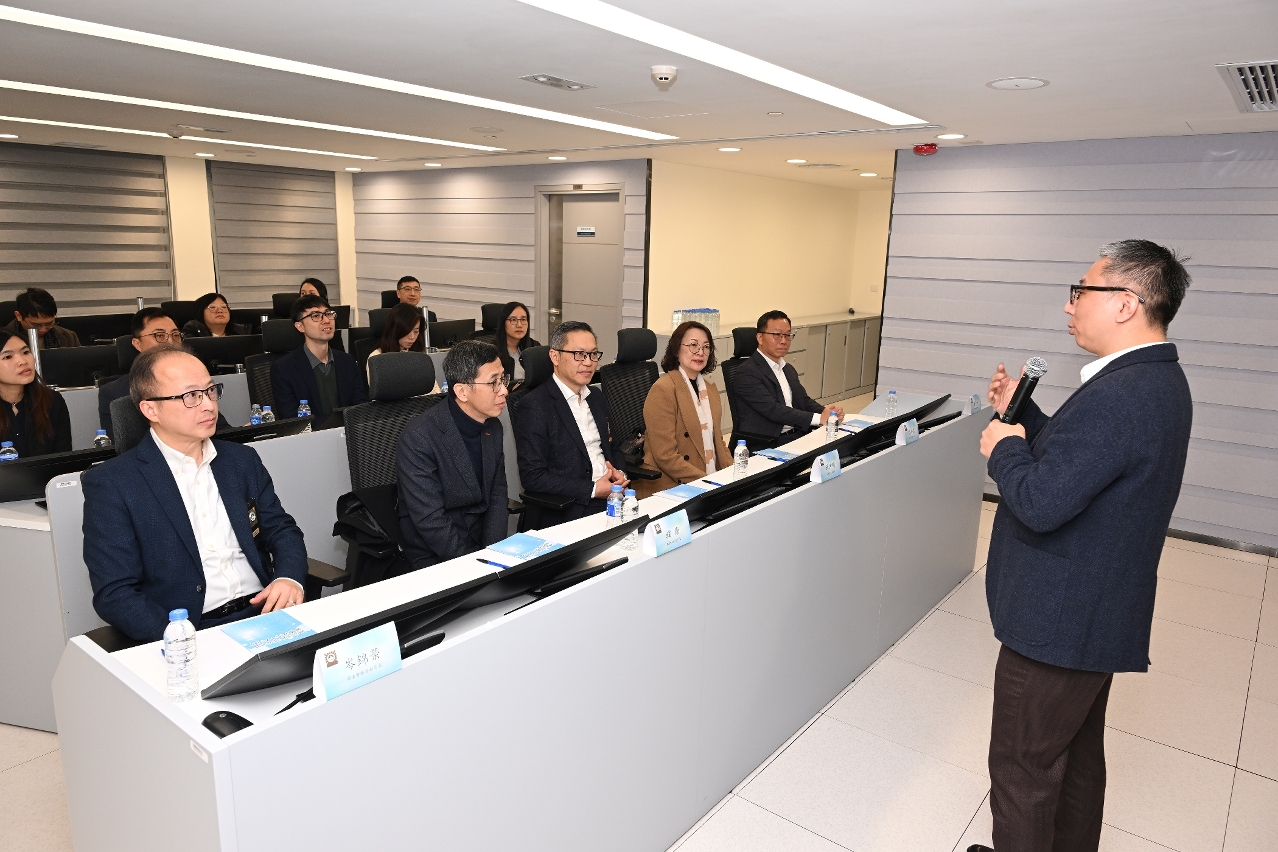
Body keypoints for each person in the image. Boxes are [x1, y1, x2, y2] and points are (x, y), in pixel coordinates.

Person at [968, 240, 1194, 852]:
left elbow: (1041, 502)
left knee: (1022, 767)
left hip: (1059, 623)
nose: (1070, 306)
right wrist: (1028, 418)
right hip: (1095, 614)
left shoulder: (1122, 394)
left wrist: (1004, 449)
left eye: (1081, 291)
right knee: (1074, 755)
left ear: (1126, 303)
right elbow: (1085, 462)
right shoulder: (1152, 379)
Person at [83, 347, 308, 641]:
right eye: (191, 396)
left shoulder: (241, 461)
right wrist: (177, 637)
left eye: (210, 391)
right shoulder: (113, 483)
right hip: (190, 631)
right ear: (150, 410)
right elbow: (114, 592)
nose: (209, 406)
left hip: (265, 611)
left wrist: (289, 578)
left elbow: (281, 529)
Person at [396, 340, 508, 569]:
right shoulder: (419, 437)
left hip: (481, 544)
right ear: (462, 392)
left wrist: (494, 554)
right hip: (435, 551)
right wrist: (473, 566)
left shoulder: (492, 426)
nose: (504, 390)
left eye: (503, 379)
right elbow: (430, 520)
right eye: (493, 383)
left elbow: (497, 495)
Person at [515, 320, 628, 527]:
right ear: (554, 357)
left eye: (593, 354)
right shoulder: (534, 405)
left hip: (613, 498)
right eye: (579, 354)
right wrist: (593, 489)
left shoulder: (596, 397)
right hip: (570, 507)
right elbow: (533, 476)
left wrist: (620, 474)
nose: (588, 362)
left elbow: (613, 448)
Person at [637, 321, 731, 497]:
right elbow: (665, 456)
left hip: (706, 480)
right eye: (693, 345)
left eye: (706, 347)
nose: (700, 352)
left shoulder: (710, 390)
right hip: (670, 484)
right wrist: (708, 483)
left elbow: (718, 442)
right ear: (676, 349)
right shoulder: (663, 389)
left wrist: (735, 474)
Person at [731, 310, 842, 448]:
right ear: (760, 338)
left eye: (787, 335)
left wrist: (829, 414)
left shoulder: (787, 368)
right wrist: (819, 418)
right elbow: (773, 410)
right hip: (769, 442)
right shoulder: (747, 372)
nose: (783, 341)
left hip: (797, 434)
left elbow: (803, 400)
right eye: (777, 335)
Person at [270, 295, 367, 422]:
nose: (326, 320)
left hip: (348, 432)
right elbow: (292, 421)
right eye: (316, 316)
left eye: (328, 314)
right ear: (300, 326)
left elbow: (361, 409)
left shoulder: (347, 362)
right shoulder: (284, 369)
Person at [0, 329, 72, 458]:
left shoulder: (51, 401)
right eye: (8, 357)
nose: (23, 361)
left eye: (25, 352)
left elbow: (63, 460)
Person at [367, 303, 441, 391]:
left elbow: (433, 386)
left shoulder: (419, 355)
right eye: (407, 331)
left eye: (416, 331)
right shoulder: (376, 359)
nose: (412, 337)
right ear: (395, 330)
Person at [5, 287, 80, 349]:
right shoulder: (4, 339)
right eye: (36, 325)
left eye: (49, 324)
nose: (43, 330)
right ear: (19, 316)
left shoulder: (69, 337)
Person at [495, 301, 539, 388]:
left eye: (523, 319)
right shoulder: (493, 351)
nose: (519, 325)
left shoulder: (534, 347)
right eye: (513, 320)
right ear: (503, 323)